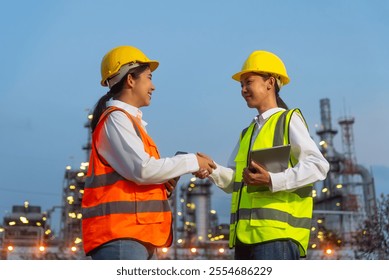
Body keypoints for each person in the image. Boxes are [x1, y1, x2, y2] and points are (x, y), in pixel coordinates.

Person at [81, 45, 216, 260]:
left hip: (136, 236)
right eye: (149, 77)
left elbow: (138, 178)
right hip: (121, 237)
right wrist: (191, 161)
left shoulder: (130, 122)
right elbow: (142, 170)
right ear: (130, 80)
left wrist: (162, 184)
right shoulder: (115, 119)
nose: (153, 86)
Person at [198, 50, 329, 260]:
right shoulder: (248, 133)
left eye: (248, 82)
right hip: (245, 239)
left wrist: (272, 179)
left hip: (277, 238)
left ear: (270, 82)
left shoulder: (288, 120)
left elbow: (318, 165)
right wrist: (211, 168)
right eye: (241, 85)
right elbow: (235, 181)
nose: (242, 90)